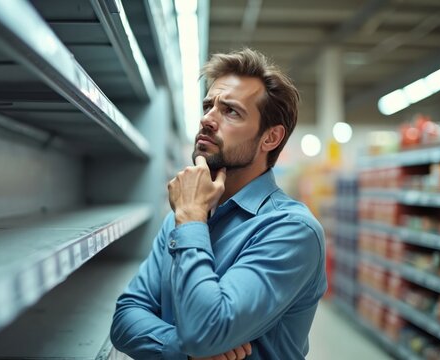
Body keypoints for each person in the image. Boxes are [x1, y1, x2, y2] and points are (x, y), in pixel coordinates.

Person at [109, 48, 327, 360]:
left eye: (231, 111)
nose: (207, 119)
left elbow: (206, 332)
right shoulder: (184, 216)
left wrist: (191, 217)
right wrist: (185, 351)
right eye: (208, 105)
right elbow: (124, 318)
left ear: (270, 138)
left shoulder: (292, 230)